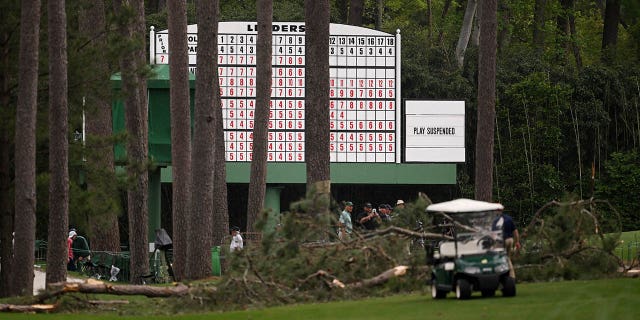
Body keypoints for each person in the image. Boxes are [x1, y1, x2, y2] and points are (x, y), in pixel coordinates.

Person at [492, 210, 521, 278]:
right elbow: (516, 232)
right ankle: (510, 276)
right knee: (507, 258)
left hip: (503, 241)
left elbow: (493, 234)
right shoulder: (509, 218)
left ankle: (504, 276)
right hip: (510, 240)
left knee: (500, 258)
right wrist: (517, 242)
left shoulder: (496, 220)